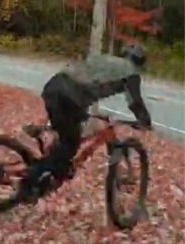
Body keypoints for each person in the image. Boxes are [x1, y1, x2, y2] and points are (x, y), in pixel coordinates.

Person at [21, 43, 153, 201]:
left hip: (54, 86)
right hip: (69, 96)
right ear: (140, 62)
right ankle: (28, 185)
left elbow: (83, 79)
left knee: (69, 131)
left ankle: (49, 166)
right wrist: (144, 120)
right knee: (69, 145)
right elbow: (134, 101)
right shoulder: (130, 72)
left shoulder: (106, 60)